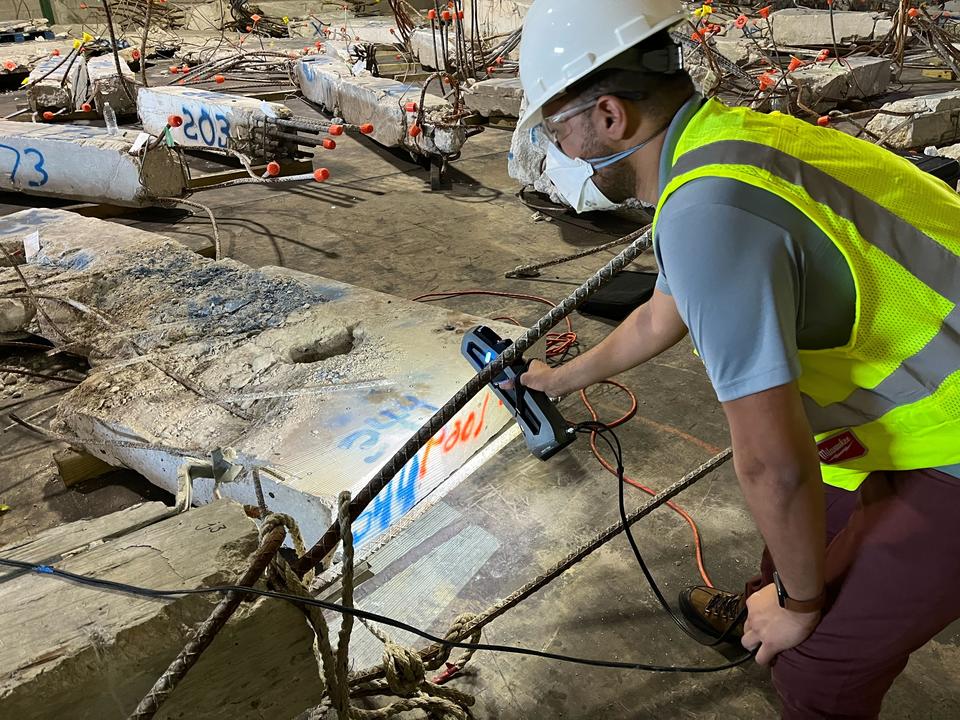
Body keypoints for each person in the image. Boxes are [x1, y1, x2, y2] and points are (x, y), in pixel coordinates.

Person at [514, 1, 960, 718]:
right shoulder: (720, 144)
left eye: (553, 127)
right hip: (924, 390)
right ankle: (769, 605)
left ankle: (790, 629)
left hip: (952, 435)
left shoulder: (705, 214)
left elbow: (770, 464)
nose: (556, 150)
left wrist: (802, 603)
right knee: (792, 541)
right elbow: (665, 311)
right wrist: (557, 379)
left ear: (607, 118)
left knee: (819, 667)